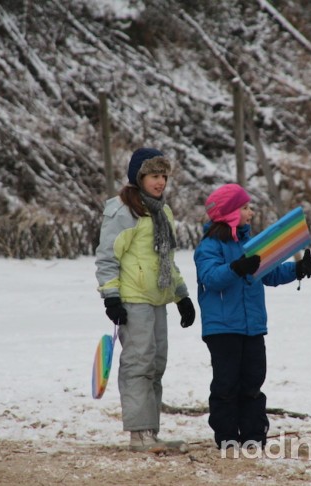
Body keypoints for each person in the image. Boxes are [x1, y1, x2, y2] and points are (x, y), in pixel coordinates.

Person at [193, 183, 311, 451]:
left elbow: (270, 273)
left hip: (253, 327)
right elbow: (211, 278)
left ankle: (253, 436)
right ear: (229, 213)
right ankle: (227, 438)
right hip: (222, 329)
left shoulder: (250, 244)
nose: (251, 212)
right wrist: (236, 268)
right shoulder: (208, 247)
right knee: (226, 385)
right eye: (245, 207)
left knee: (253, 382)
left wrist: (299, 269)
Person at [94, 147, 196, 452]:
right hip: (133, 300)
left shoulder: (162, 211)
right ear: (139, 177)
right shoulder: (123, 212)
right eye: (154, 175)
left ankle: (151, 432)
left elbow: (167, 260)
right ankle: (138, 435)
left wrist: (181, 296)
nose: (160, 181)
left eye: (163, 175)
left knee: (156, 364)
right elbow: (107, 258)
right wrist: (111, 298)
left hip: (158, 299)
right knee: (138, 364)